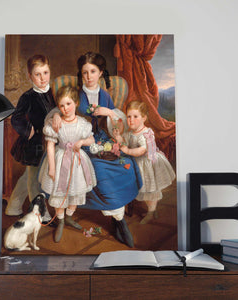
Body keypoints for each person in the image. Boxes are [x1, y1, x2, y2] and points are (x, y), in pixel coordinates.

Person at [75, 52, 142, 247]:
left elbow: (116, 123)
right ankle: (120, 221)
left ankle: (117, 218)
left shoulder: (105, 95)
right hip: (84, 140)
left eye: (93, 71)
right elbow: (67, 108)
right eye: (85, 72)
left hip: (104, 138)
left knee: (126, 162)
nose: (88, 76)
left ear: (100, 73)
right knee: (100, 169)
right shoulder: (77, 95)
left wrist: (110, 112)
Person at [5, 54, 59, 225]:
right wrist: (30, 131)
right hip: (34, 144)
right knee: (35, 179)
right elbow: (16, 118)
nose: (42, 78)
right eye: (37, 74)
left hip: (50, 142)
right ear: (30, 76)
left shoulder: (54, 92)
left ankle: (13, 206)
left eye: (45, 73)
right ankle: (39, 212)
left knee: (29, 177)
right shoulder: (28, 97)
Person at [38, 86, 97, 242]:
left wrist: (83, 141)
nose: (65, 108)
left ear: (76, 103)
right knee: (60, 194)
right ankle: (61, 220)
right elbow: (50, 145)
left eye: (69, 104)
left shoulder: (83, 123)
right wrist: (51, 167)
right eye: (62, 105)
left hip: (77, 162)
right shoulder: (56, 124)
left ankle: (69, 216)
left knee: (75, 192)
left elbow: (91, 139)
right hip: (60, 159)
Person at [113, 100, 175, 224]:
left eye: (135, 117)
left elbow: (141, 150)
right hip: (137, 164)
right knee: (142, 189)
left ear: (144, 118)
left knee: (149, 190)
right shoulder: (130, 132)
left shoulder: (146, 134)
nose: (131, 120)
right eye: (129, 117)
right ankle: (152, 210)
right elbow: (124, 140)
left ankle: (151, 212)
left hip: (148, 164)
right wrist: (118, 137)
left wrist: (128, 150)